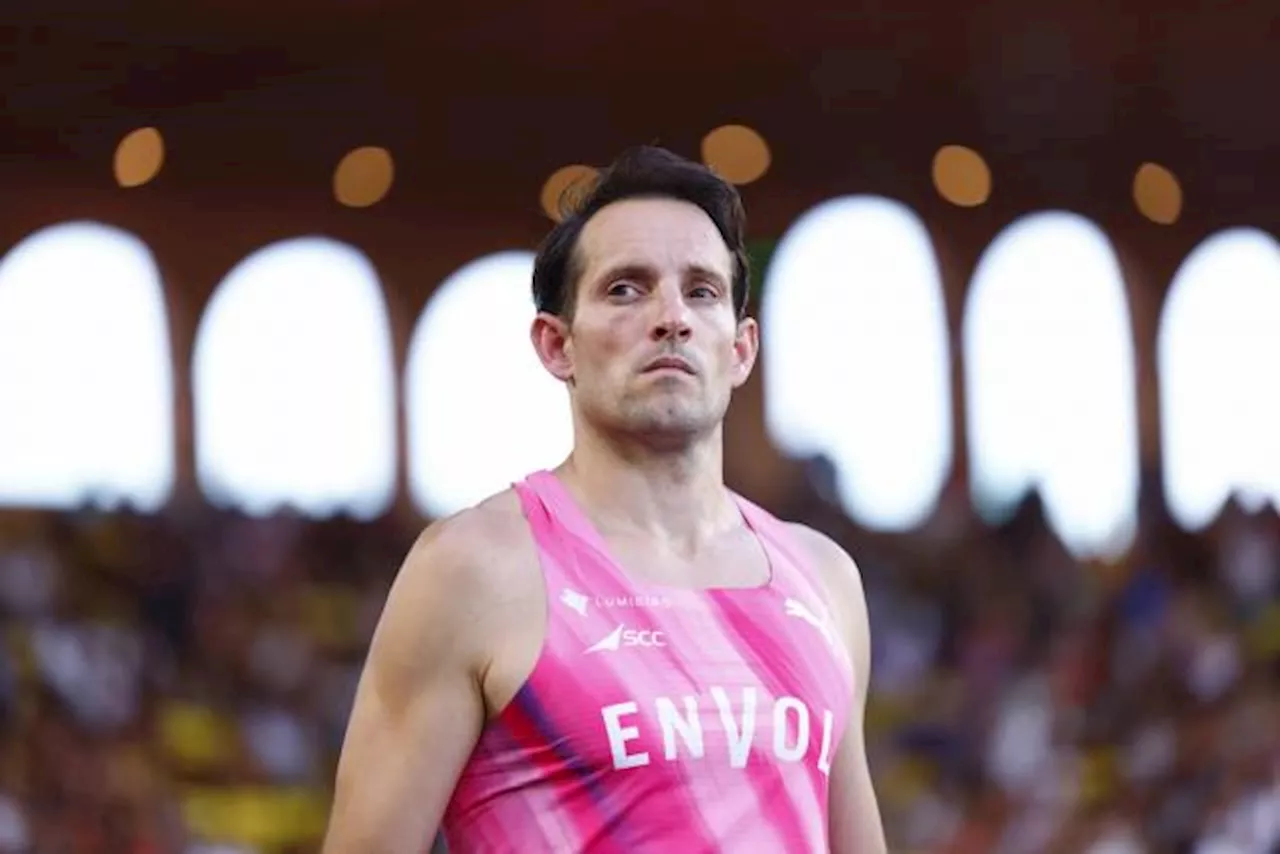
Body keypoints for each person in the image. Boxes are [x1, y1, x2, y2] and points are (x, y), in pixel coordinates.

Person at [321, 145, 887, 853]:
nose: (671, 318)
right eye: (627, 289)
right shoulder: (474, 571)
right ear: (556, 345)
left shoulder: (825, 579)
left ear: (740, 349)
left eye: (702, 291)